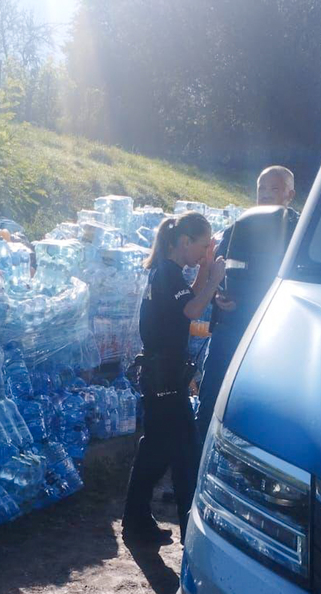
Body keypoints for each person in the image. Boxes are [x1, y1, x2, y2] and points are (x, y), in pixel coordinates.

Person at [122, 212, 227, 546]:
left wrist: (207, 269)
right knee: (182, 448)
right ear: (184, 241)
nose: (202, 251)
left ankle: (136, 519)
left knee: (159, 446)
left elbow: (190, 297)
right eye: (202, 245)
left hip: (162, 374)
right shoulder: (167, 274)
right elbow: (193, 309)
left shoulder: (169, 273)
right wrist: (215, 278)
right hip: (163, 375)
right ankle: (188, 528)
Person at [196, 166, 300, 438]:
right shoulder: (239, 227)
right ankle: (194, 471)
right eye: (261, 189)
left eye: (274, 189)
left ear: (290, 194)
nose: (265, 194)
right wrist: (218, 293)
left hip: (272, 338)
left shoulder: (300, 234)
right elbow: (216, 267)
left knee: (260, 412)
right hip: (228, 331)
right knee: (211, 402)